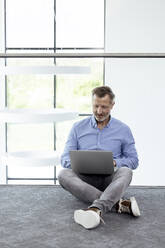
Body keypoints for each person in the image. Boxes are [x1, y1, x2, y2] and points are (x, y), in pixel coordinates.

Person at [58, 86, 140, 229]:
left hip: (110, 180)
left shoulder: (123, 129)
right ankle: (119, 204)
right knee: (63, 174)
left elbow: (133, 161)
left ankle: (95, 209)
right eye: (96, 106)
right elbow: (64, 159)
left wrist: (115, 162)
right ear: (92, 103)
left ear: (112, 105)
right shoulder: (77, 128)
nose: (99, 111)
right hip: (84, 180)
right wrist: (80, 162)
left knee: (126, 172)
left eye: (104, 107)